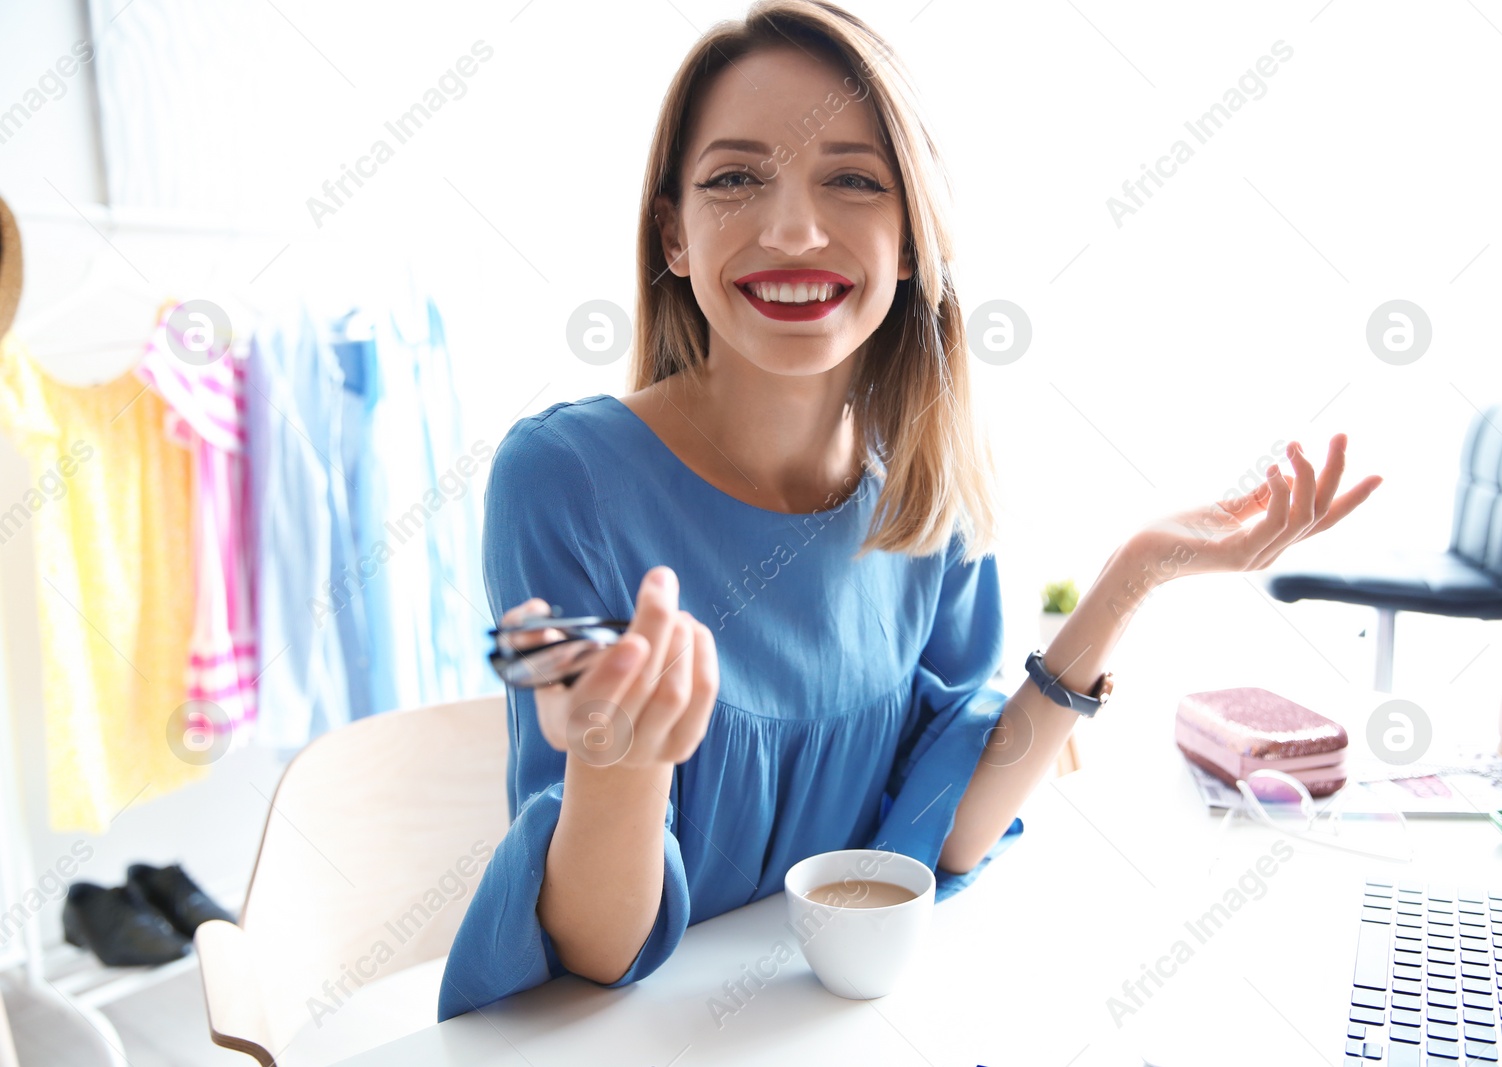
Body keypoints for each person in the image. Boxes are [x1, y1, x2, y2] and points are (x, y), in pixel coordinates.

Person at [437, 0, 1382, 1020]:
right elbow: (592, 952)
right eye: (733, 179)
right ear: (673, 231)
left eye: (851, 178)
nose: (793, 230)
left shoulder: (928, 501)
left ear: (907, 238)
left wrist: (1131, 577)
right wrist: (618, 764)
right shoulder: (564, 477)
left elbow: (949, 829)